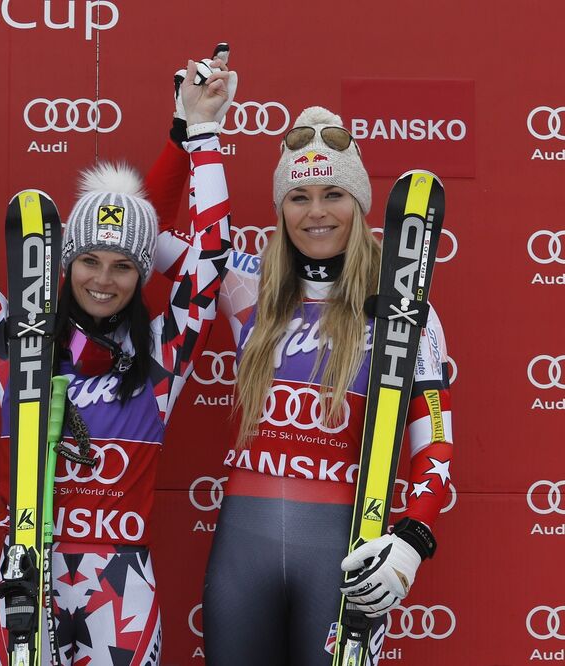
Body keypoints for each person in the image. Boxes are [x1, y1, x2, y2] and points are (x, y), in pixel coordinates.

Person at [0, 37, 235, 665]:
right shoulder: (20, 346)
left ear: (143, 273)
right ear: (64, 264)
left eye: (124, 266)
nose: (103, 278)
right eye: (89, 260)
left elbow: (211, 257)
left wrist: (203, 133)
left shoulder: (161, 355)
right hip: (25, 583)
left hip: (122, 592)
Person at [149, 101, 454, 664]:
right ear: (281, 207)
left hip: (341, 556)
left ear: (359, 203)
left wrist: (413, 540)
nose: (317, 213)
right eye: (299, 197)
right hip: (243, 553)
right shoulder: (244, 285)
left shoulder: (405, 307)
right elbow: (149, 231)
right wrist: (189, 131)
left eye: (333, 195)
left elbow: (434, 441)